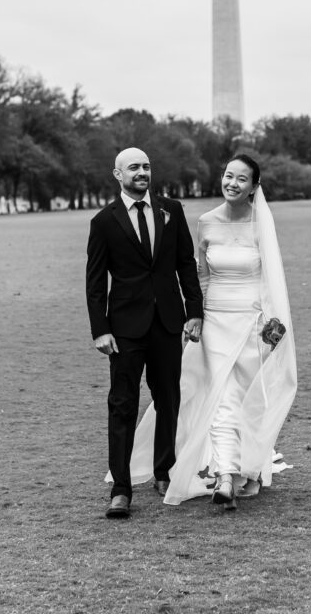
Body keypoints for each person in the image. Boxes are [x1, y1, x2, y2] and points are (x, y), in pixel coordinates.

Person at [128, 154, 298, 509]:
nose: (232, 183)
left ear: (254, 187)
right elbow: (201, 275)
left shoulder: (261, 223)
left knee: (243, 399)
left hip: (253, 325)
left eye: (241, 179)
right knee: (220, 397)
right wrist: (196, 317)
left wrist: (273, 326)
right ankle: (223, 476)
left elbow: (272, 281)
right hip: (215, 321)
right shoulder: (206, 221)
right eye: (228, 175)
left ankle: (242, 470)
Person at [85, 147, 204, 519]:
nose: (142, 172)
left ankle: (164, 472)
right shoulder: (104, 221)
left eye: (147, 166)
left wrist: (194, 312)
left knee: (168, 399)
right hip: (124, 329)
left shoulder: (173, 210)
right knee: (122, 404)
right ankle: (121, 489)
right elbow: (94, 283)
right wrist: (100, 330)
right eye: (133, 167)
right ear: (117, 174)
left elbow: (186, 263)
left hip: (168, 323)